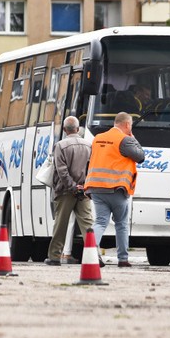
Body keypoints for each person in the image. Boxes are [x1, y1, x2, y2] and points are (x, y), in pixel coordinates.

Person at [85, 112, 145, 267]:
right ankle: (123, 259)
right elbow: (140, 156)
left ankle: (90, 253)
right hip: (116, 188)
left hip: (96, 188)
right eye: (130, 125)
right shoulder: (124, 140)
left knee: (100, 221)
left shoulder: (97, 139)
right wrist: (133, 137)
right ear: (126, 125)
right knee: (121, 224)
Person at [44, 116, 93, 266]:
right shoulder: (89, 145)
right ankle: (94, 256)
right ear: (78, 129)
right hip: (83, 191)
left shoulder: (60, 146)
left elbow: (62, 171)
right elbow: (91, 168)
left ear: (65, 130)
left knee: (61, 224)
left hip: (65, 192)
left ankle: (54, 257)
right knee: (88, 224)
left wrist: (72, 187)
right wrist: (83, 186)